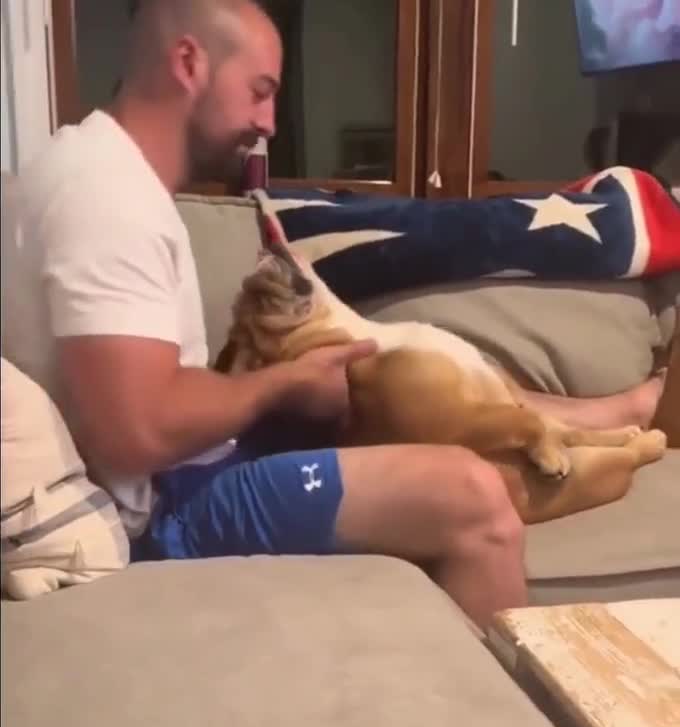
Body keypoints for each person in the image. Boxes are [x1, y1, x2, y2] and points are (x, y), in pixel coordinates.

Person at [15, 0, 665, 628]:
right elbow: (136, 433)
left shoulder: (96, 170)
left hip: (184, 472)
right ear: (189, 63)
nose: (270, 122)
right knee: (473, 494)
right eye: (260, 91)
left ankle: (604, 421)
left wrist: (290, 392)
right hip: (165, 512)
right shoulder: (107, 195)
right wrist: (282, 385)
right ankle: (502, 701)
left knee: (415, 411)